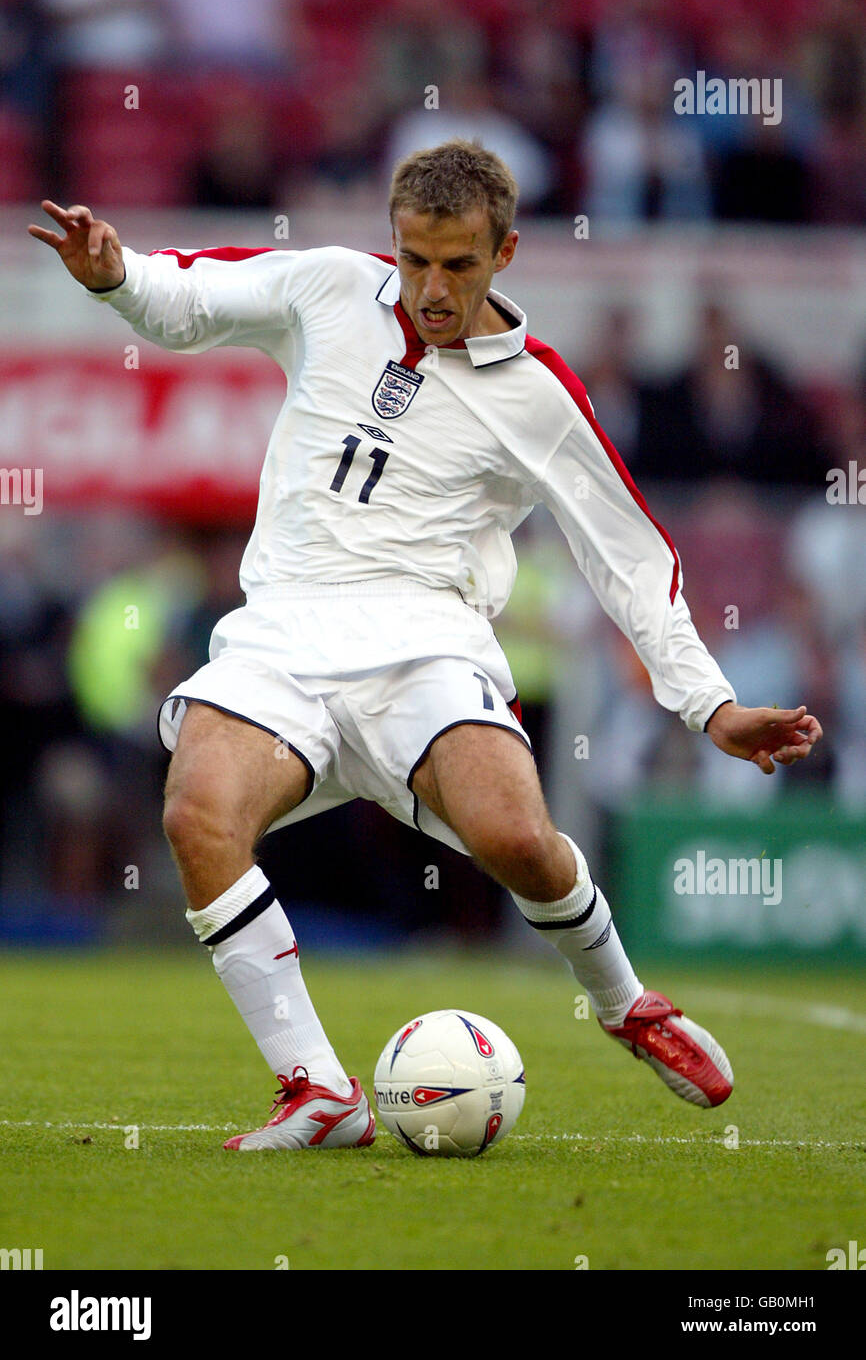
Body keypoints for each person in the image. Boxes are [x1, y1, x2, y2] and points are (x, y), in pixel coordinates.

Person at [29, 140, 822, 1152]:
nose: (430, 287)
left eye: (456, 264)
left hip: (427, 646)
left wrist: (708, 705)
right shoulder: (329, 288)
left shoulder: (540, 394)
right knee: (195, 813)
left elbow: (629, 557)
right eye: (413, 260)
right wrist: (115, 275)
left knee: (517, 840)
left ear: (505, 253)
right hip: (281, 636)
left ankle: (626, 1005)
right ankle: (318, 1090)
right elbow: (191, 298)